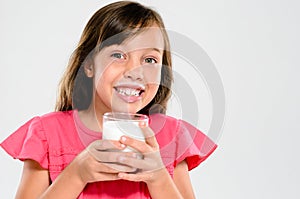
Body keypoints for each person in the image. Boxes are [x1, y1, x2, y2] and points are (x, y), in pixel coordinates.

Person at [0, 1, 217, 198]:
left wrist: (158, 176)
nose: (135, 71)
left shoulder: (172, 136)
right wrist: (76, 175)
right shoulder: (47, 134)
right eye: (118, 55)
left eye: (149, 59)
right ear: (89, 65)